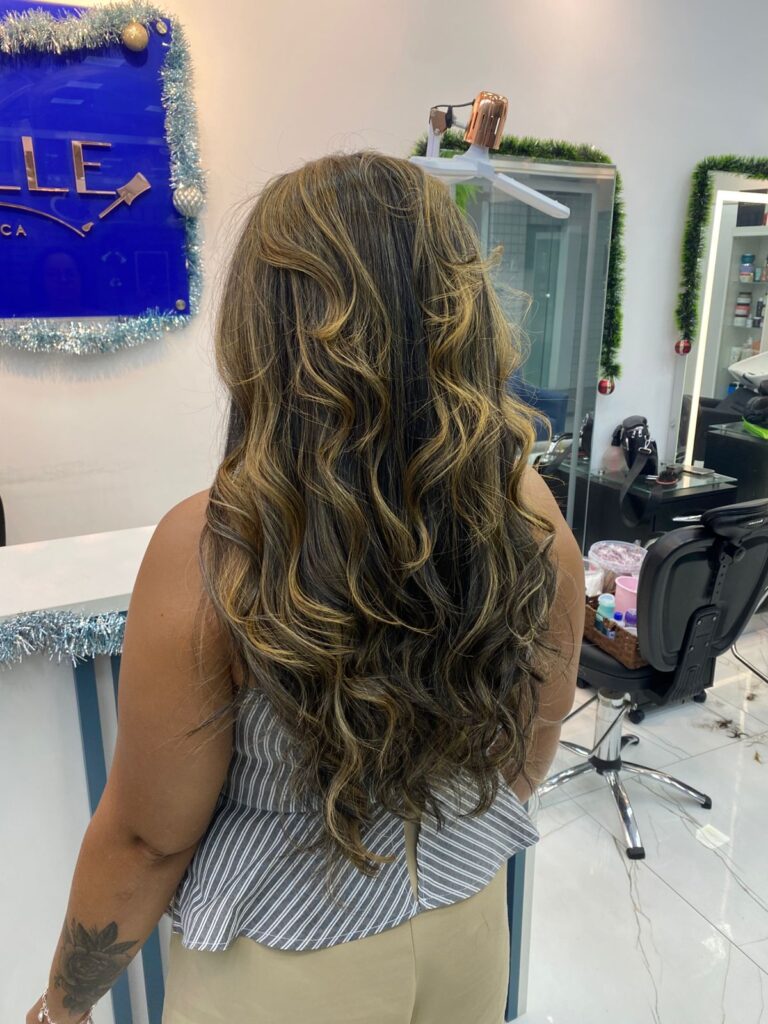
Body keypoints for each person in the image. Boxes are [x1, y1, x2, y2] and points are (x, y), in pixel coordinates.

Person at [27, 151, 583, 1024]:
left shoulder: (217, 547)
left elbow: (146, 840)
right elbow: (536, 731)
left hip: (284, 967)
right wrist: (441, 827)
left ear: (266, 330)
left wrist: (61, 1006)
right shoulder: (522, 505)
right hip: (469, 918)